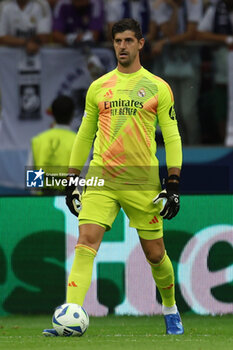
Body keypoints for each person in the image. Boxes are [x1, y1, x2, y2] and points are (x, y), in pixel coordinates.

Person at [43, 18, 184, 336]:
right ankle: (70, 317)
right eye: (117, 41)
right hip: (102, 179)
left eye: (128, 41)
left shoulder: (158, 87)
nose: (122, 46)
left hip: (143, 181)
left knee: (156, 254)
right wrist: (72, 178)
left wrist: (172, 183)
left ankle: (171, 308)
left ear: (140, 43)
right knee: (85, 242)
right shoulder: (99, 87)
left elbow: (172, 137)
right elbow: (84, 134)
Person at [149, 0, 203, 145]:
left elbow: (192, 33)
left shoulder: (194, 3)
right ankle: (180, 147)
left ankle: (194, 147)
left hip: (190, 64)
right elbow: (169, 32)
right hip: (169, 65)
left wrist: (165, 42)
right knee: (174, 113)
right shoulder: (159, 5)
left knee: (188, 111)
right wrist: (174, 9)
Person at [196, 0, 233, 143]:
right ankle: (226, 143)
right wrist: (225, 39)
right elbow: (199, 34)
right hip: (222, 71)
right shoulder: (215, 10)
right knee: (221, 110)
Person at [29, 95, 76, 194]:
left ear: (53, 114)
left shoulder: (38, 140)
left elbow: (32, 179)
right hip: (69, 203)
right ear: (72, 114)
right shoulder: (79, 141)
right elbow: (83, 178)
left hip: (43, 203)